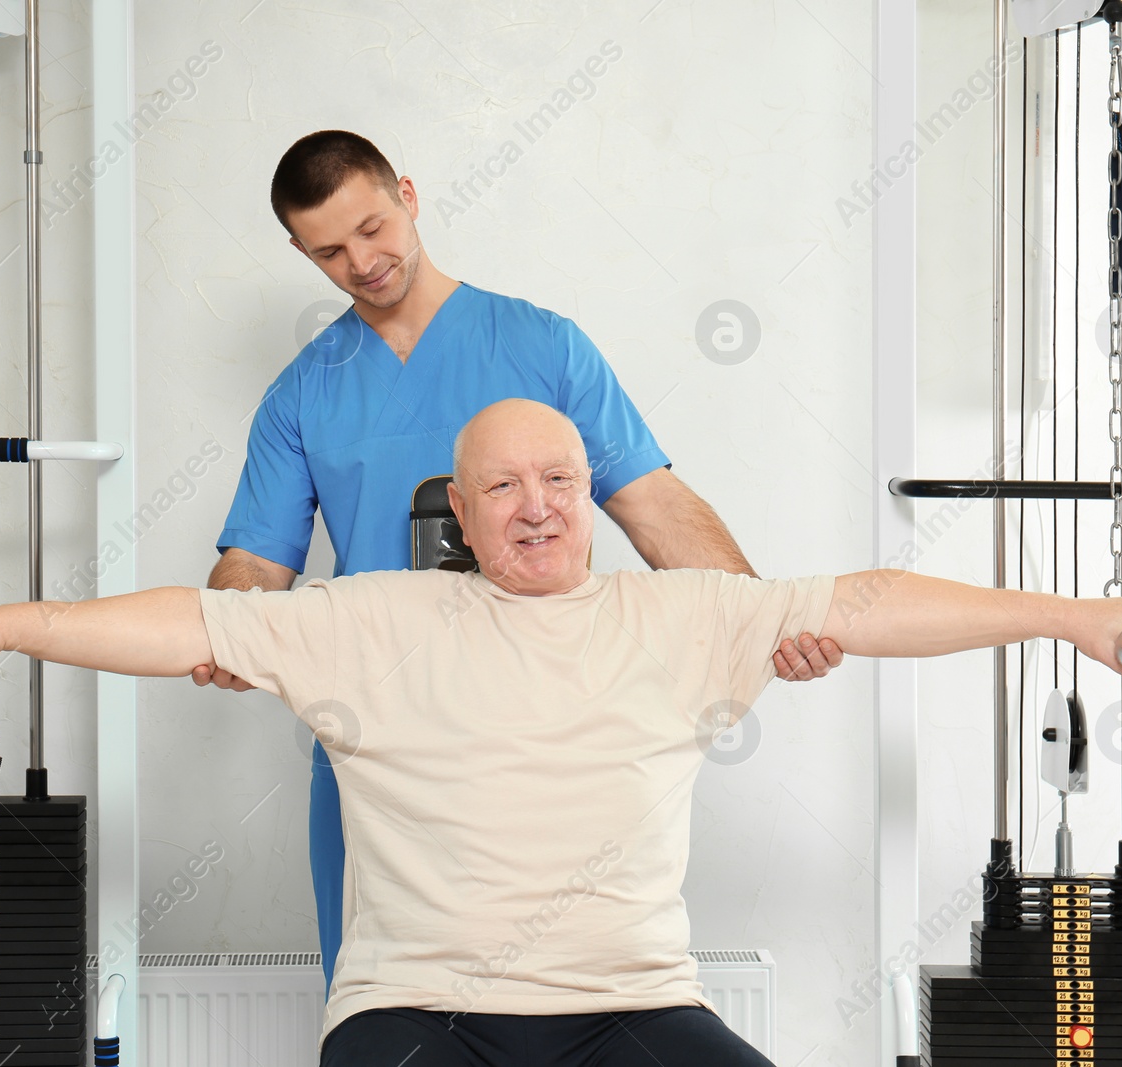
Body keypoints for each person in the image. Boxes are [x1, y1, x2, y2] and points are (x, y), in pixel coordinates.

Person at [0, 400, 1122, 1067]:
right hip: (415, 1010)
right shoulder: (366, 618)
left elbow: (866, 598)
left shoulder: (682, 616)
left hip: (631, 1004)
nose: (536, 505)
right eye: (501, 485)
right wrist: (6, 624)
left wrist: (1070, 617)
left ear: (592, 496)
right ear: (458, 509)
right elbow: (181, 616)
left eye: (559, 478)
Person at [194, 130, 843, 989]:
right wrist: (223, 631)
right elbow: (253, 566)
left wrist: (765, 615)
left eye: (375, 227)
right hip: (384, 731)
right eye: (330, 251)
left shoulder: (543, 346)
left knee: (573, 991)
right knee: (384, 997)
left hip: (555, 717)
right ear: (298, 251)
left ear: (409, 195)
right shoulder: (302, 393)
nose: (363, 260)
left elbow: (652, 504)